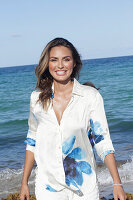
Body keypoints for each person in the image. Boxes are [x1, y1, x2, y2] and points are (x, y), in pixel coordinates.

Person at [20, 38, 127, 200]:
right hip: (48, 188)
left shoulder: (90, 97)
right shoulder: (36, 99)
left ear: (75, 63)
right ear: (47, 64)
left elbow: (103, 141)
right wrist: (24, 183)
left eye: (66, 59)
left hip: (84, 189)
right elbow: (32, 141)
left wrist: (117, 183)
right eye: (54, 60)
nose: (60, 65)